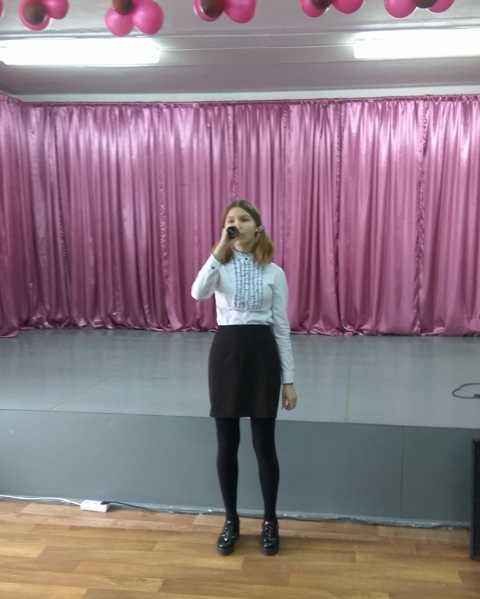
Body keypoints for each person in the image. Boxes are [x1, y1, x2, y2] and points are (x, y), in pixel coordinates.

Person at [191, 199, 298, 556]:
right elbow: (198, 292)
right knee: (227, 443)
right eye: (230, 219)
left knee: (264, 445)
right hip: (227, 354)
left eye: (243, 218)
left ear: (258, 226)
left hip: (263, 355)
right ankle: (230, 520)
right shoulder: (218, 266)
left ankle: (270, 520)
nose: (235, 223)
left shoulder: (274, 272)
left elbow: (281, 327)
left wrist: (289, 380)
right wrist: (218, 249)